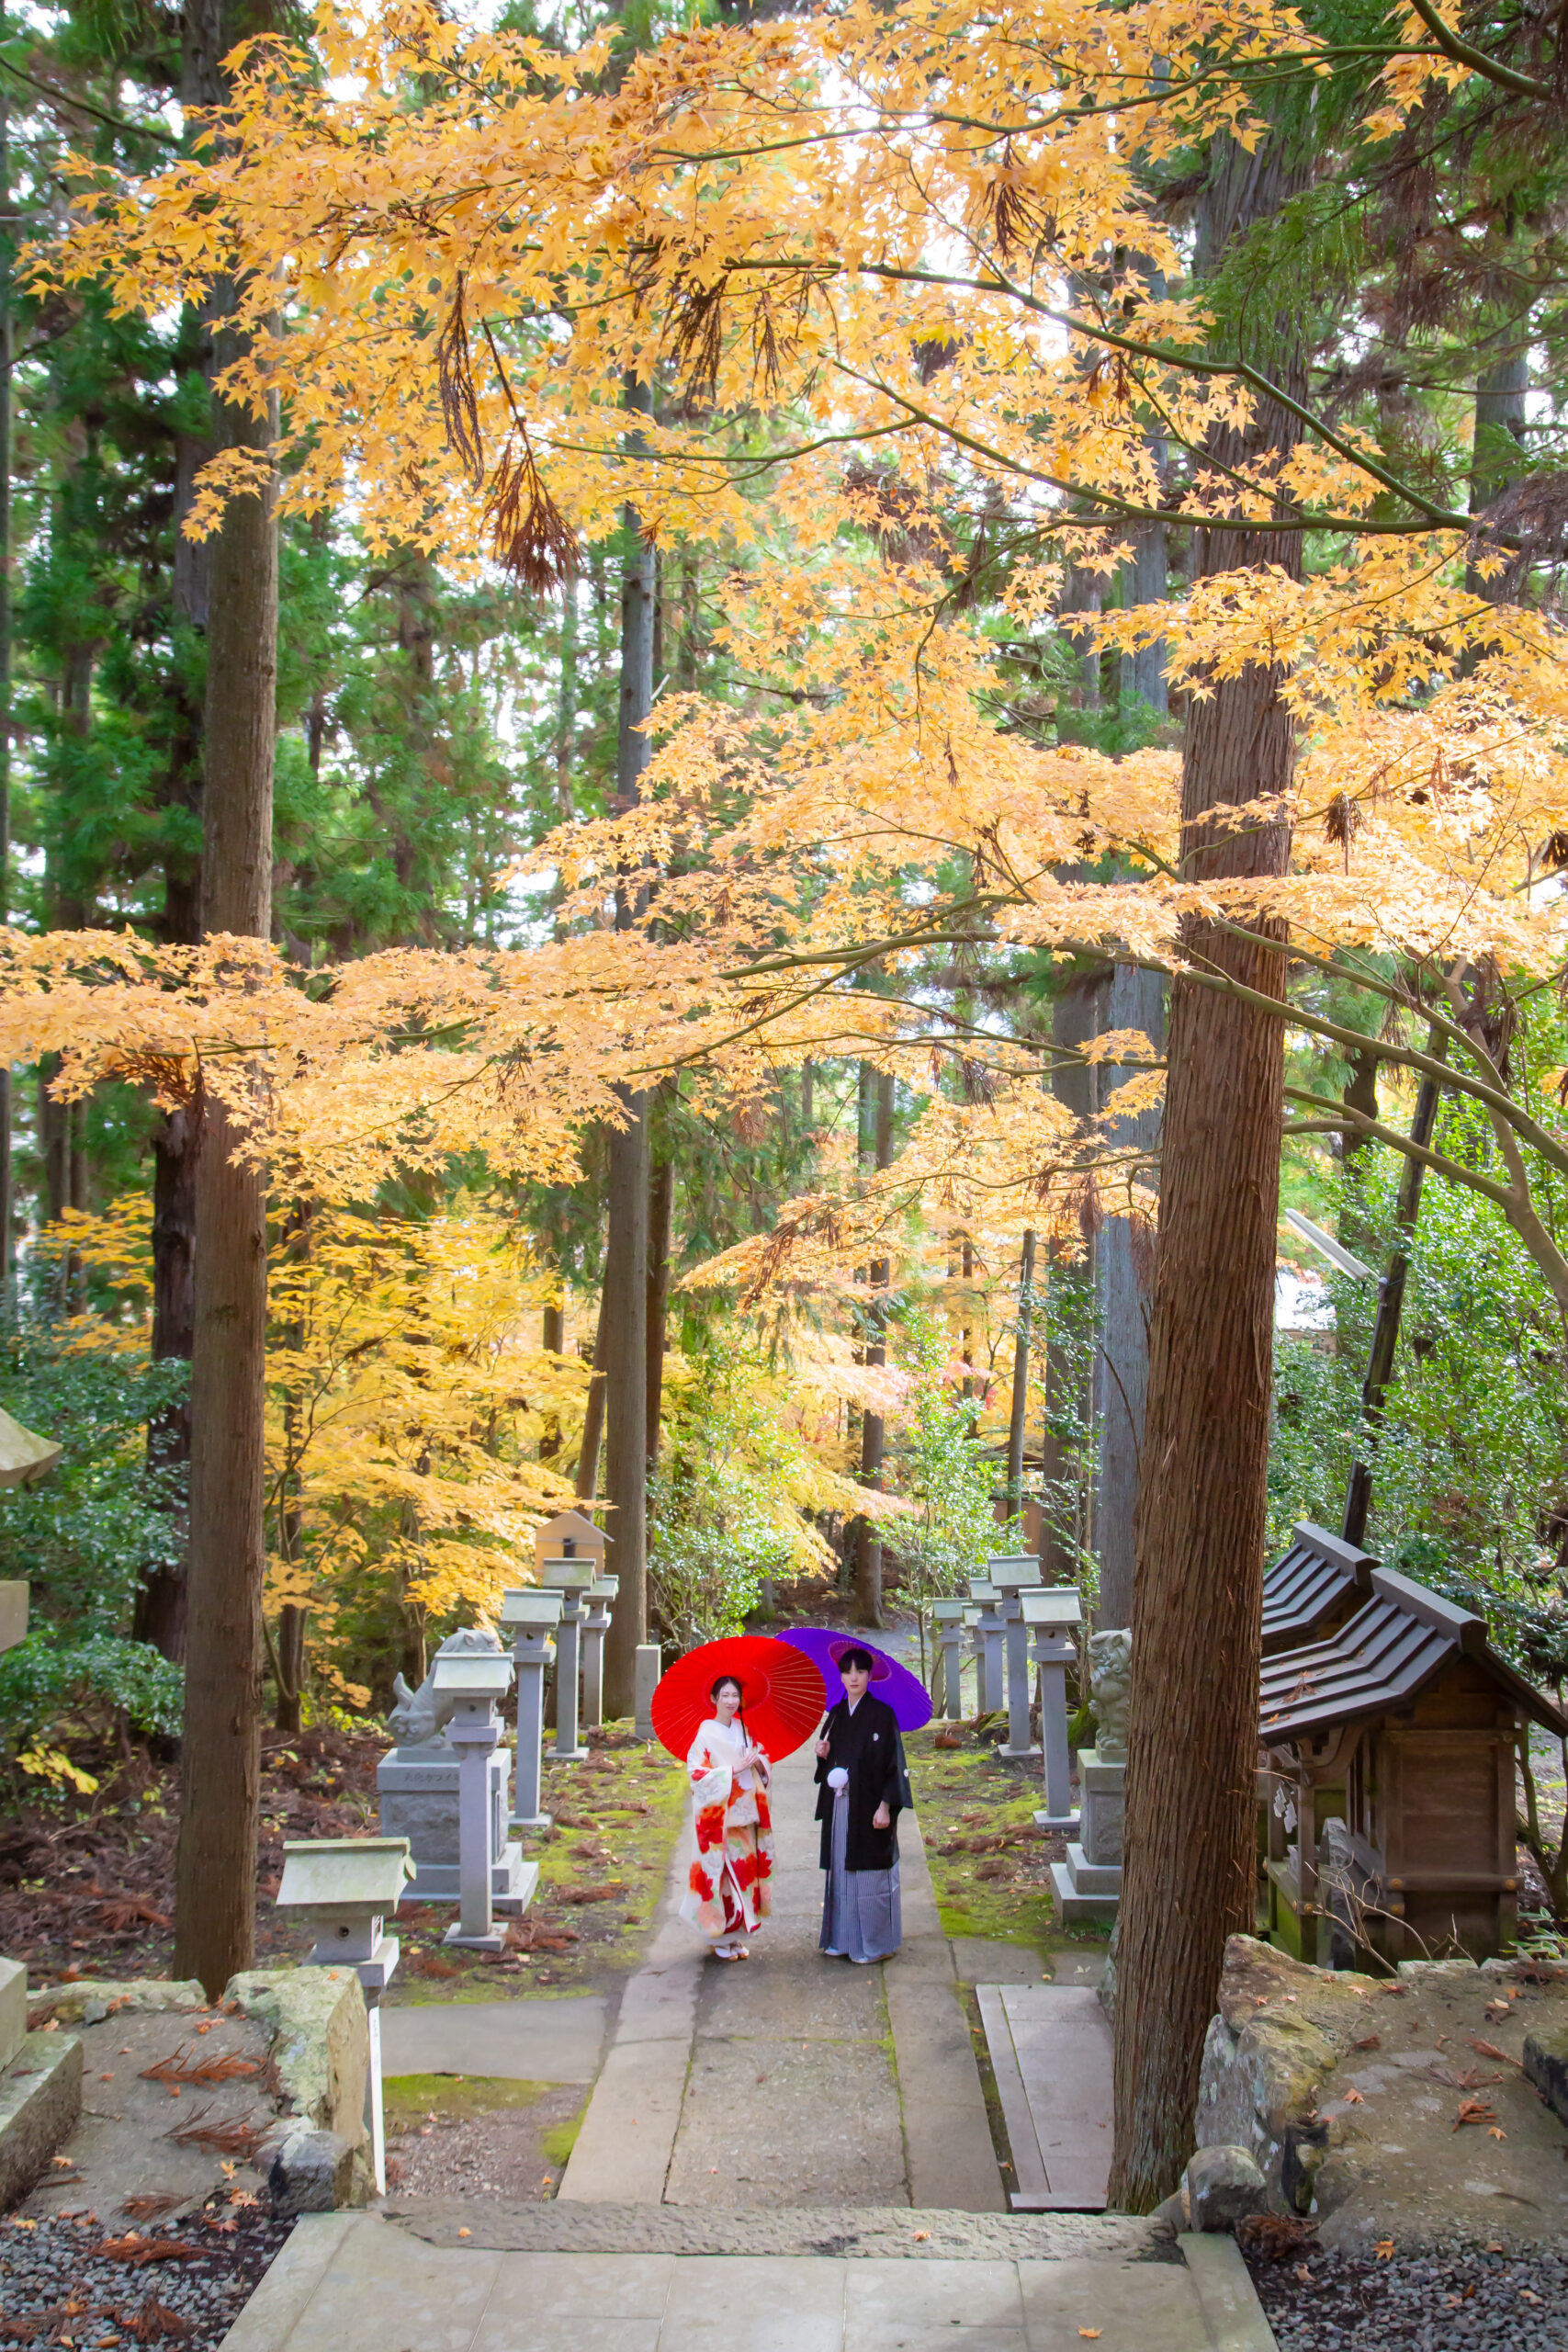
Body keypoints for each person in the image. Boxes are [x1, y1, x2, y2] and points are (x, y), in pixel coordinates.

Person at [814, 1644, 912, 1962]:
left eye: (860, 1671)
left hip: (870, 1807)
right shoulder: (838, 1714)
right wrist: (823, 1756)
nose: (853, 1677)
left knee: (870, 1874)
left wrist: (886, 1806)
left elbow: (894, 1765)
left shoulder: (883, 1715)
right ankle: (842, 1939)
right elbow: (829, 1769)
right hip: (841, 1806)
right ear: (840, 1677)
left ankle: (874, 1944)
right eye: (847, 1671)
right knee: (842, 1872)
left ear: (870, 1675)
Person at [678, 1672, 774, 1960]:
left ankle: (735, 1936)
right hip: (721, 1818)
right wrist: (730, 1772)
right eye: (726, 1696)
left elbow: (764, 1760)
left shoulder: (744, 1729)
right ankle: (718, 1938)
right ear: (714, 1699)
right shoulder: (706, 1734)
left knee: (744, 1877)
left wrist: (758, 1761)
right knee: (722, 1879)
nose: (731, 1701)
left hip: (746, 1815)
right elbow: (696, 1773)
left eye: (735, 1696)